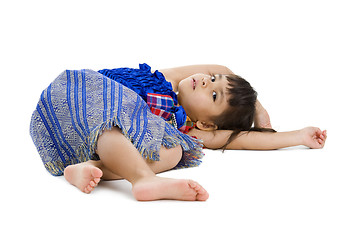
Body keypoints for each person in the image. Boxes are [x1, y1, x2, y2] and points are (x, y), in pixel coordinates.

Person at [30, 64, 327, 201]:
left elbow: (245, 140)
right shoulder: (166, 81)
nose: (205, 82)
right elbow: (223, 67)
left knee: (174, 152)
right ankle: (143, 180)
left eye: (213, 96)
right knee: (116, 118)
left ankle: (89, 168)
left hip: (74, 144)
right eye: (211, 80)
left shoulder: (187, 129)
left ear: (207, 125)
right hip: (73, 98)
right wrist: (259, 108)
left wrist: (298, 136)